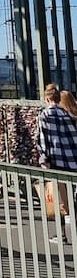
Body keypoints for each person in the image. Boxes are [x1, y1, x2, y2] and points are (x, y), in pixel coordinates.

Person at [36, 84, 77, 244]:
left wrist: (43, 161)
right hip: (72, 160)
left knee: (59, 200)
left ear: (46, 99)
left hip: (56, 162)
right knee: (70, 199)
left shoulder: (45, 114)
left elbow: (43, 141)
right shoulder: (65, 114)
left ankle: (61, 234)